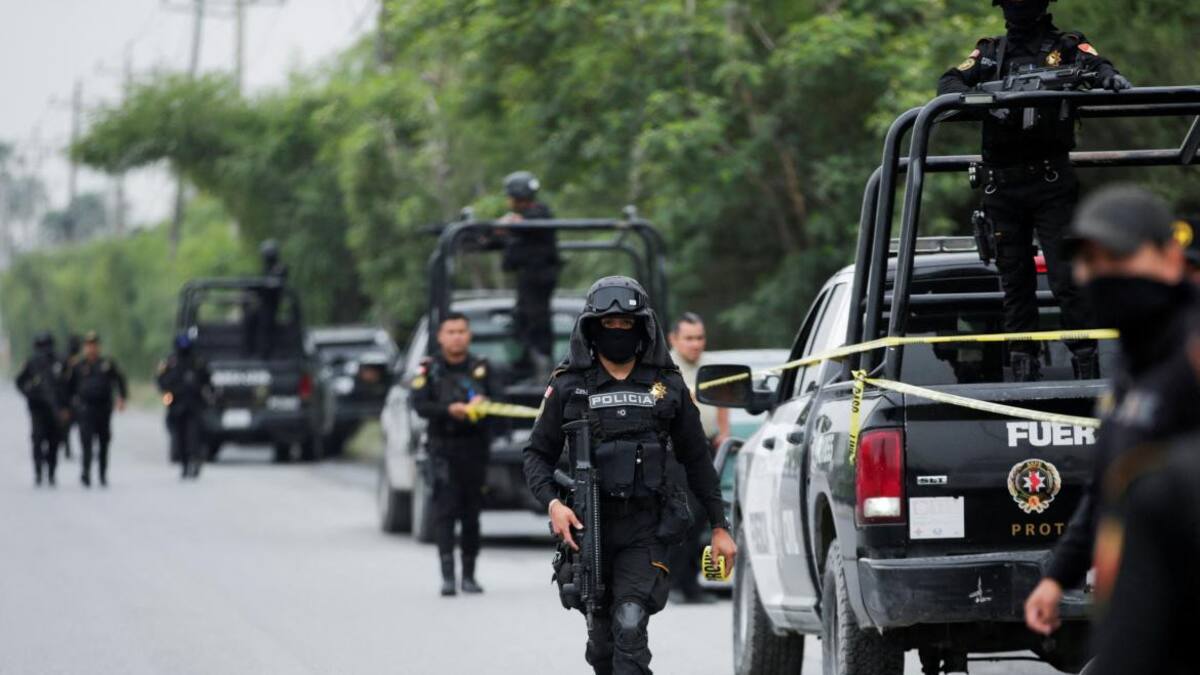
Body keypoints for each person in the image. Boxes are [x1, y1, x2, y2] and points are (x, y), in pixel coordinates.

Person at [523, 276, 737, 674]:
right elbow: (536, 455)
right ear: (592, 327)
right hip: (589, 525)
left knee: (630, 624)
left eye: (627, 323)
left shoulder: (667, 385)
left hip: (646, 526)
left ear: (643, 327)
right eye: (609, 324)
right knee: (602, 644)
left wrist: (720, 525)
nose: (618, 331)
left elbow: (697, 461)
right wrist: (553, 504)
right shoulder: (568, 385)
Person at [1023, 185, 1200, 638]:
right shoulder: (1131, 364)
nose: (1101, 274)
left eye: (1118, 258)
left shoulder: (1192, 352)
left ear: (1170, 259)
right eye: (1090, 261)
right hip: (1140, 613)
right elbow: (1106, 488)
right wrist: (1056, 576)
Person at [938, 0, 1131, 382]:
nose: (1017, 8)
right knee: (1015, 282)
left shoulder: (1067, 47)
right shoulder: (991, 53)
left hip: (1050, 183)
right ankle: (1024, 368)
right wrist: (987, 105)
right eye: (1010, 2)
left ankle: (1086, 368)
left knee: (1066, 280)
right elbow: (949, 83)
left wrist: (1108, 77)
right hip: (1002, 186)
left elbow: (1098, 65)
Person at [411, 312, 495, 596]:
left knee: (471, 515)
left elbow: (501, 401)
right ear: (440, 337)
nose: (457, 336)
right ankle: (447, 576)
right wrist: (449, 410)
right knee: (445, 514)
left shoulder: (482, 368)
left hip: (474, 450)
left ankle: (469, 576)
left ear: (469, 335)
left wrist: (484, 402)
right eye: (451, 331)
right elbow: (420, 406)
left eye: (462, 331)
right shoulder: (429, 370)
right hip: (442, 450)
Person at [665, 312, 730, 604]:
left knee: (703, 515)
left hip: (706, 448)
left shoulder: (710, 366)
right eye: (689, 338)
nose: (695, 344)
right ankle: (675, 583)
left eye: (700, 337)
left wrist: (723, 433)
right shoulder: (663, 368)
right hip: (675, 451)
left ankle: (691, 584)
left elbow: (723, 400)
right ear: (674, 339)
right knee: (684, 515)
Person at [499, 171, 559, 378]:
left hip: (538, 279)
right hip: (528, 279)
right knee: (521, 322)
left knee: (537, 324)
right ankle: (524, 368)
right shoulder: (525, 219)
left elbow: (529, 221)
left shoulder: (539, 214)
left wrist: (511, 223)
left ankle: (543, 372)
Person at [65, 332, 128, 487]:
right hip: (85, 410)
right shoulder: (78, 366)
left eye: (94, 345)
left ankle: (102, 474)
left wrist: (121, 398)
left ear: (98, 347)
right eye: (88, 345)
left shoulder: (107, 364)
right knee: (86, 443)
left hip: (103, 409)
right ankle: (86, 473)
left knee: (104, 443)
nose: (92, 348)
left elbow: (120, 381)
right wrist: (68, 407)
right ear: (85, 347)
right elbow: (68, 388)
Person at [157, 333, 213, 480]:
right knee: (179, 436)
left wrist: (208, 395)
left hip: (194, 404)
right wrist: (167, 391)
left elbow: (207, 380)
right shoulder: (170, 362)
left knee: (194, 435)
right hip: (176, 405)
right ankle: (184, 464)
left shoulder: (197, 361)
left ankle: (195, 460)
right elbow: (160, 381)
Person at [16, 333, 66, 486]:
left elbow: (67, 385)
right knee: (37, 439)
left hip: (55, 408)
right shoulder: (32, 363)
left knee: (54, 441)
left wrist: (65, 406)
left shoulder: (59, 361)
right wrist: (29, 394)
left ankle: (51, 472)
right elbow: (19, 382)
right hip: (37, 409)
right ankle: (38, 472)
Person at [58, 333, 82, 460]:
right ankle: (66, 446)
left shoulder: (80, 360)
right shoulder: (64, 360)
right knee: (66, 424)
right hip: (66, 396)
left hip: (78, 396)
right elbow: (61, 380)